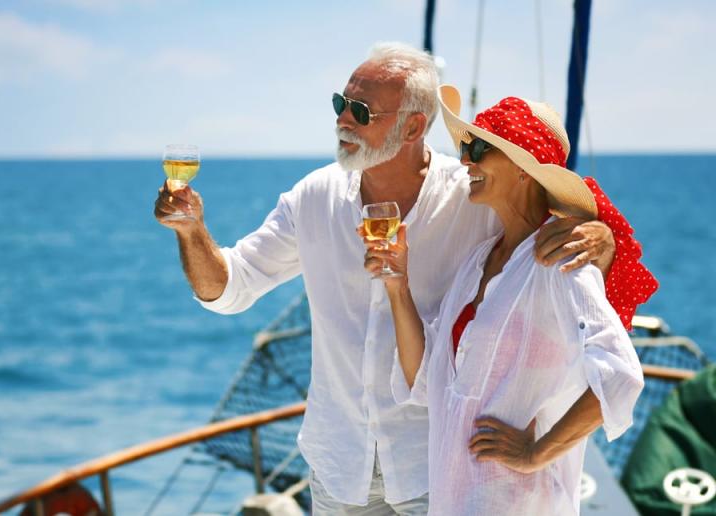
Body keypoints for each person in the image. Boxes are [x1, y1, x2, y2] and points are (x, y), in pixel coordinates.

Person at [154, 42, 654, 514]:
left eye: (362, 111)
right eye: (340, 103)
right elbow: (228, 288)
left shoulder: (474, 196)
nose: (343, 120)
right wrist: (192, 231)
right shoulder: (313, 198)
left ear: (415, 127)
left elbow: (550, 223)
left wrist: (600, 239)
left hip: (438, 465)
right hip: (338, 464)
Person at [367, 85, 645, 515]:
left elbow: (622, 376)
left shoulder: (560, 263)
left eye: (479, 148)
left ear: (522, 166)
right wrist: (397, 286)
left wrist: (536, 453)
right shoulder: (478, 261)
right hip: (455, 498)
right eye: (464, 146)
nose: (465, 160)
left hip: (522, 502)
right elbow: (424, 379)